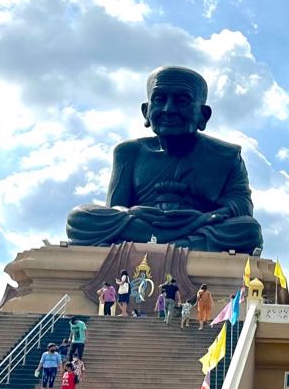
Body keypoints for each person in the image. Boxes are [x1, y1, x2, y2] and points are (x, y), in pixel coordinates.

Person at [65, 66, 264, 253]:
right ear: (146, 111)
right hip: (149, 225)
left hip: (196, 225)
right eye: (160, 99)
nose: (169, 109)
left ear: (203, 115)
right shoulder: (128, 152)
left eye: (182, 101)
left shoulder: (226, 155)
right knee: (79, 217)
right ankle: (179, 246)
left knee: (248, 230)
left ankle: (150, 247)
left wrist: (200, 218)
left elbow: (241, 209)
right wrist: (135, 213)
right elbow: (116, 208)